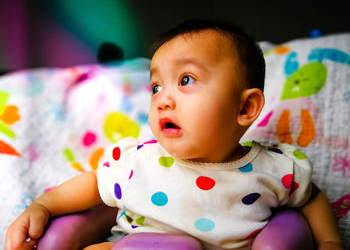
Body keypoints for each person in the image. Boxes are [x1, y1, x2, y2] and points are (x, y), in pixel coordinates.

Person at [5, 19, 344, 250]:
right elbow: (95, 183)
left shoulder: (273, 168)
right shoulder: (139, 160)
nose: (163, 99)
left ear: (245, 108)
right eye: (155, 86)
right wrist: (44, 206)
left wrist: (329, 241)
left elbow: (311, 197)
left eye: (185, 80)